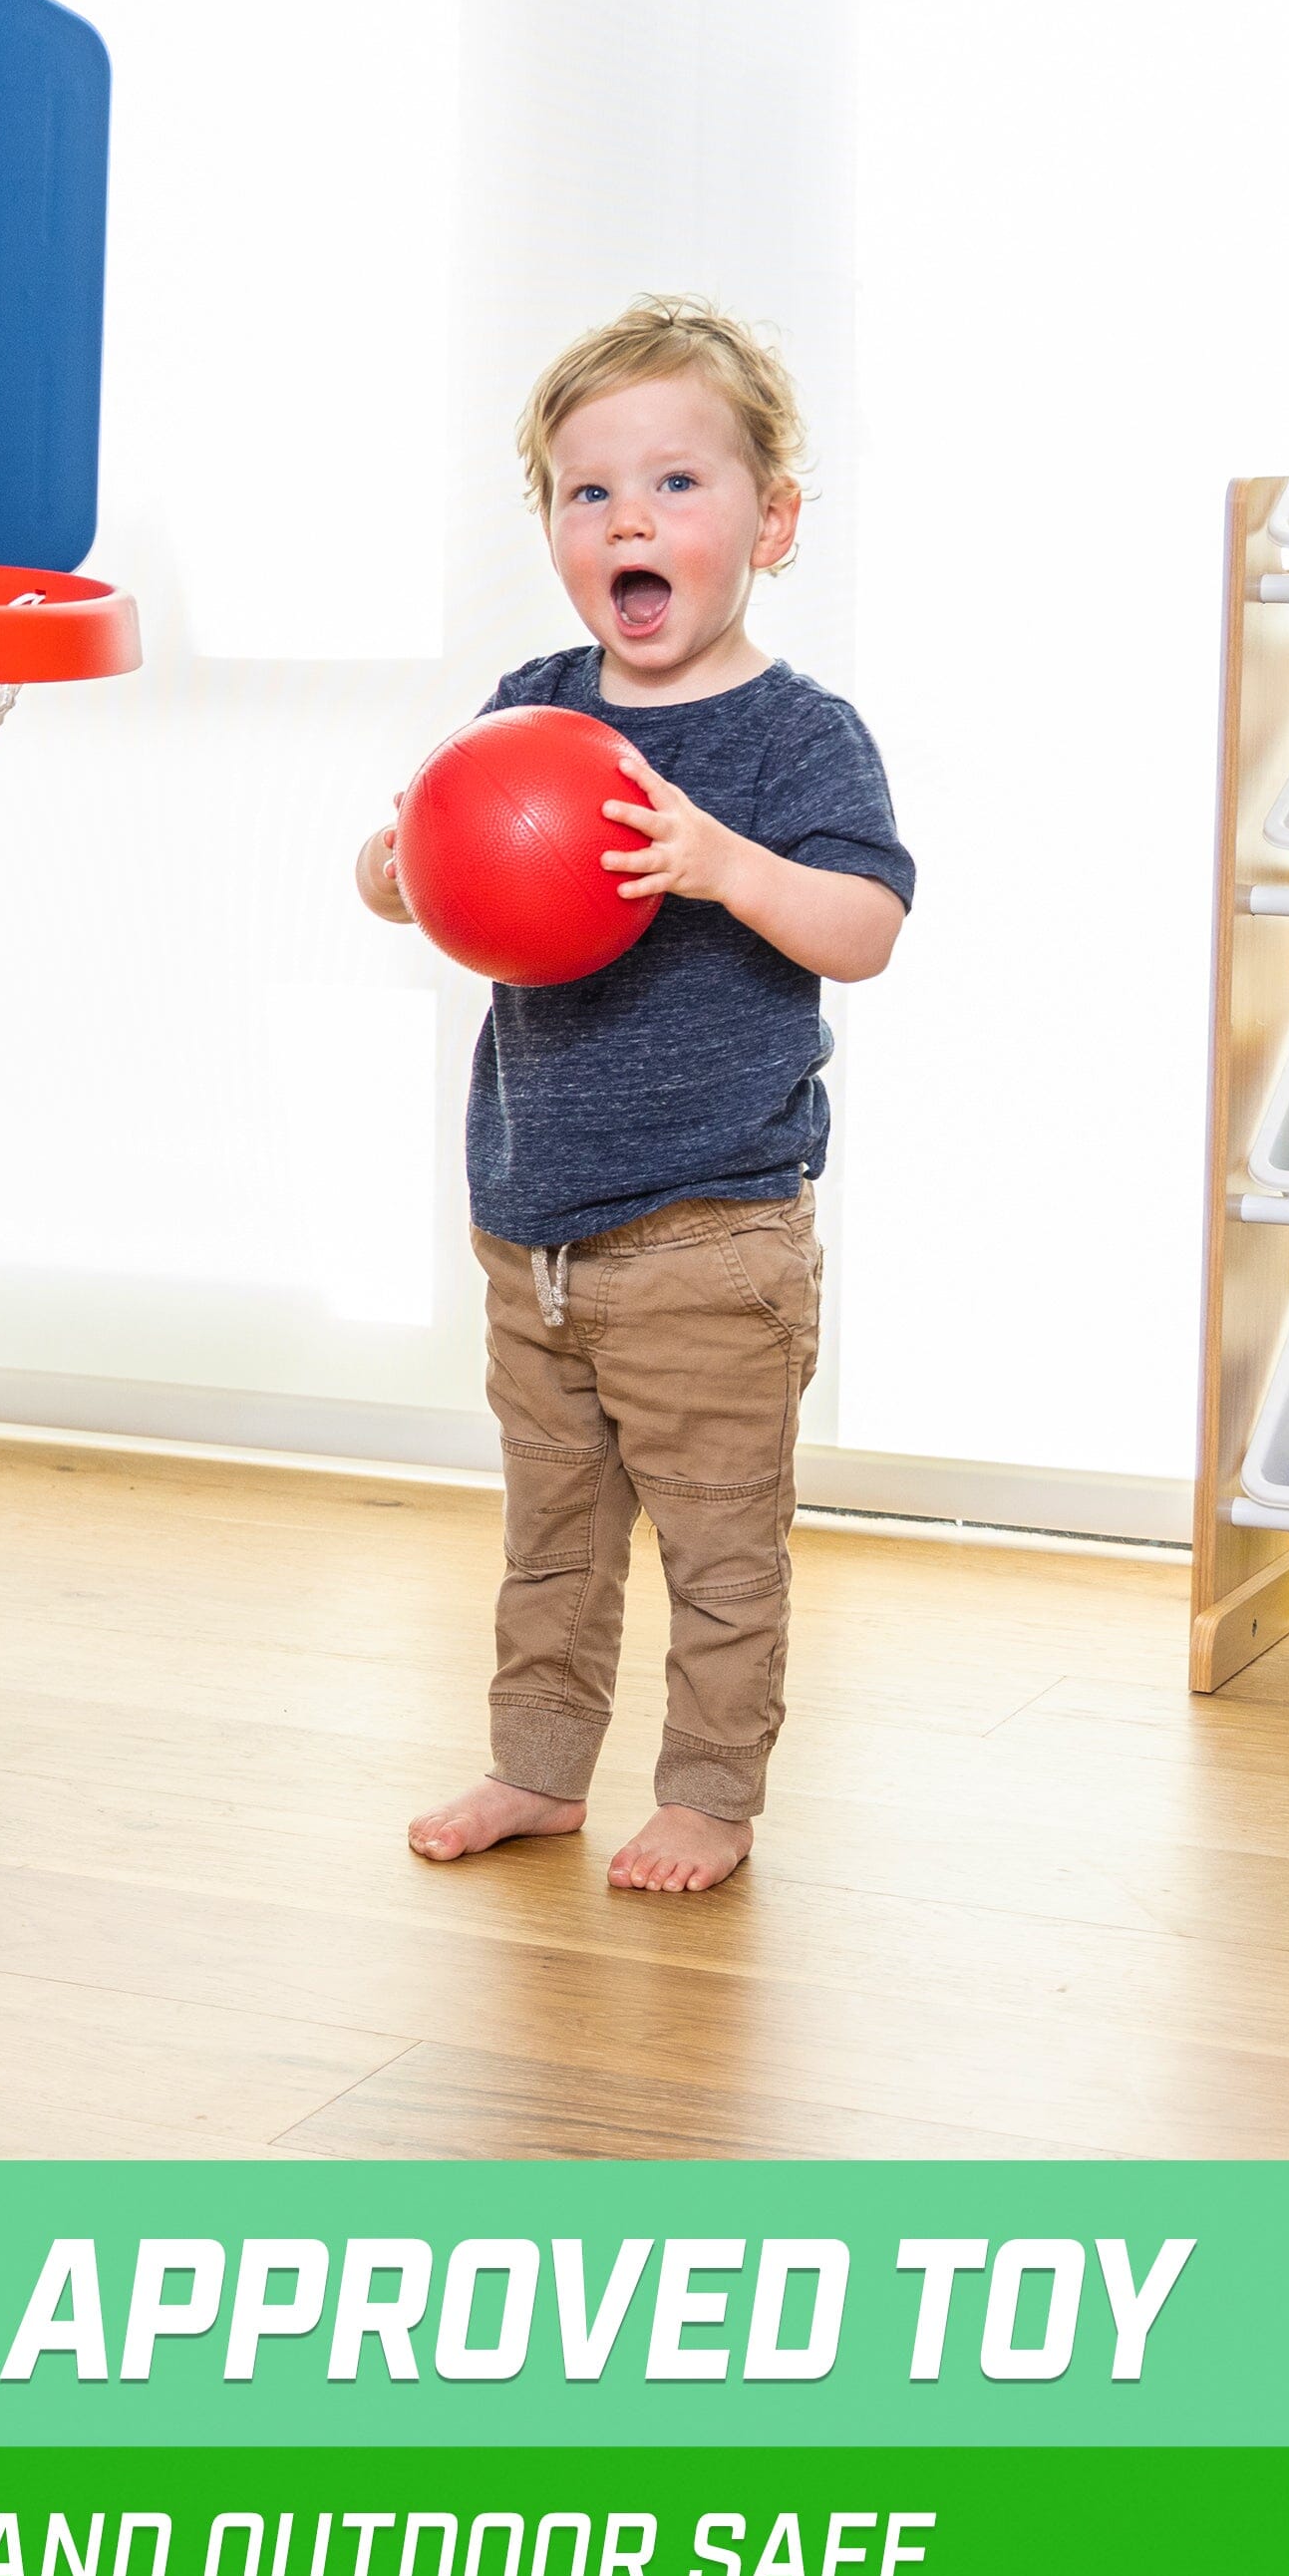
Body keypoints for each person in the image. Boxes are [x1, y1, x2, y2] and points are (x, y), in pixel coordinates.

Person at [359, 295, 913, 1893]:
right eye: (588, 491)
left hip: (708, 1240)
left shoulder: (795, 738)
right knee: (555, 1538)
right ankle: (536, 1769)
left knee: (721, 1548)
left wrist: (724, 866)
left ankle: (711, 1795)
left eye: (678, 483)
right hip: (531, 1228)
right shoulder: (535, 705)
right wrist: (394, 863)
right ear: (551, 528)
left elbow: (864, 929)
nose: (630, 519)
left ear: (773, 521)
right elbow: (421, 875)